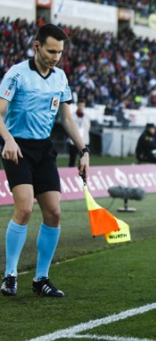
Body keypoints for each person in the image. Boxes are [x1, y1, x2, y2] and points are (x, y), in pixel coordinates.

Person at [0, 24, 90, 297]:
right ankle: (10, 275)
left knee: (54, 214)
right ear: (36, 46)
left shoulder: (60, 77)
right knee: (25, 209)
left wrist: (84, 150)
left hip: (44, 150)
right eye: (51, 50)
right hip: (17, 148)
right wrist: (9, 140)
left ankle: (41, 279)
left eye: (60, 52)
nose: (56, 56)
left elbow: (66, 118)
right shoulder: (16, 74)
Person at [67, 99, 91, 167]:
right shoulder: (72, 116)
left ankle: (83, 175)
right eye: (80, 105)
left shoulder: (87, 117)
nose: (81, 107)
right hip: (73, 141)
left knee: (84, 160)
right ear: (77, 105)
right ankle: (70, 175)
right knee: (72, 159)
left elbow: (88, 128)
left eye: (83, 105)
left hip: (84, 141)